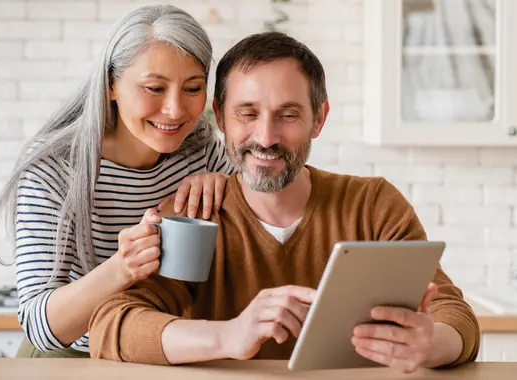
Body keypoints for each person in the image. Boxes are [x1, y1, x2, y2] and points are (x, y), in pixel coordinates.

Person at [87, 31, 480, 373]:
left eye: (288, 115)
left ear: (319, 119)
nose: (267, 137)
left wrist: (433, 344)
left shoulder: (372, 205)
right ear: (220, 119)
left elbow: (455, 316)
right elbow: (112, 326)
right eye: (247, 114)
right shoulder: (193, 215)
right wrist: (229, 336)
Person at [0, 4, 234, 358]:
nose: (176, 110)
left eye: (192, 88)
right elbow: (40, 327)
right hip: (73, 356)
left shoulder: (202, 151)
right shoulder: (55, 168)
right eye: (154, 88)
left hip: (160, 350)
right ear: (111, 85)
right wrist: (122, 267)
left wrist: (227, 186)